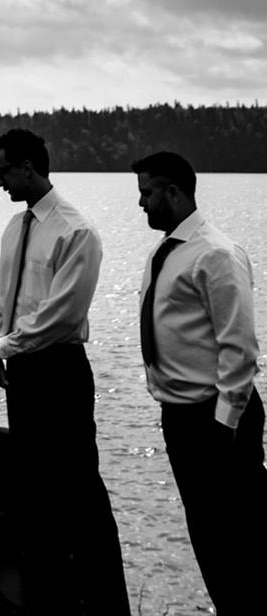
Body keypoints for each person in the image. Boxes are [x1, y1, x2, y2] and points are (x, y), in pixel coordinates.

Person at [0, 126, 129, 616]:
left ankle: (107, 604)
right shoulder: (15, 228)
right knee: (34, 491)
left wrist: (5, 344)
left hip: (59, 371)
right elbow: (2, 294)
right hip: (21, 369)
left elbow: (59, 316)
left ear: (27, 167)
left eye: (4, 171)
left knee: (80, 490)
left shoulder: (75, 230)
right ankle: (47, 599)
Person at [131, 149, 267, 616]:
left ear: (173, 192)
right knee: (208, 538)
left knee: (243, 538)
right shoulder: (165, 252)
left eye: (147, 193)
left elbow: (240, 345)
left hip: (217, 418)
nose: (142, 204)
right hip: (182, 417)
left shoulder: (216, 253)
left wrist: (225, 422)